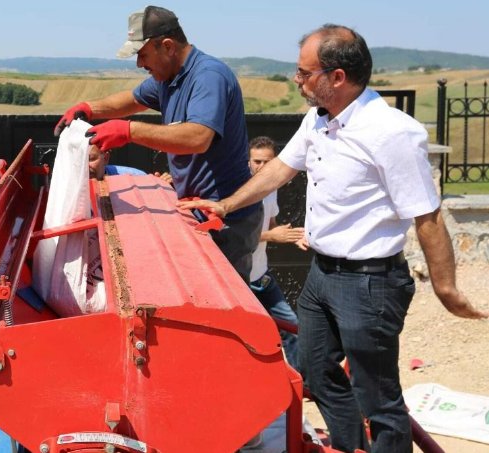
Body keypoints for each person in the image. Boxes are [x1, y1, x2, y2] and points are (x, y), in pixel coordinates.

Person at [178, 24, 488, 452]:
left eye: (305, 73)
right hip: (322, 276)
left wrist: (446, 287)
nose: (297, 81)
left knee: (378, 396)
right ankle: (349, 446)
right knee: (314, 369)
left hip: (369, 283)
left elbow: (428, 215)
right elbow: (280, 169)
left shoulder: (392, 131)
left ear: (336, 77)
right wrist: (226, 205)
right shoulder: (317, 121)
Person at [55, 5, 261, 282]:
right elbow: (130, 100)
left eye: (142, 54)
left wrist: (128, 131)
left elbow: (198, 137)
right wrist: (89, 109)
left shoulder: (208, 76)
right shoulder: (168, 78)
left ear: (167, 46)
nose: (140, 64)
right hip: (197, 207)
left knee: (227, 300)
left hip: (228, 218)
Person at [246, 136, 304, 372]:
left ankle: (304, 384)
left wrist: (294, 236)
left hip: (261, 275)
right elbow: (232, 237)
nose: (261, 167)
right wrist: (273, 236)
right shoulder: (238, 192)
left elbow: (272, 224)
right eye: (256, 161)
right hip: (241, 281)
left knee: (292, 326)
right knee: (250, 338)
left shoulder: (271, 188)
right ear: (248, 161)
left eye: (267, 162)